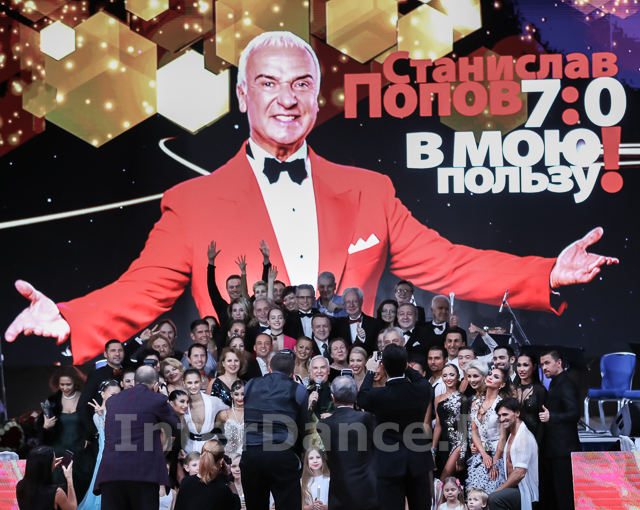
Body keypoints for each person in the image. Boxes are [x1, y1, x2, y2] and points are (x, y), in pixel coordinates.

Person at [6, 31, 618, 365]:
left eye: (301, 84)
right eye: (268, 83)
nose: (286, 99)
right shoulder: (192, 202)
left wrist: (546, 274)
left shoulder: (370, 190)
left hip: (354, 400)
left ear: (317, 96)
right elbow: (142, 291)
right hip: (254, 403)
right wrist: (69, 318)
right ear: (243, 96)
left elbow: (449, 264)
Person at [357, 344, 433, 510]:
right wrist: (405, 366)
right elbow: (421, 380)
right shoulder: (422, 390)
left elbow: (362, 397)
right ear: (406, 365)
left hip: (388, 462)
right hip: (418, 460)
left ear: (383, 366)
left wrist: (370, 371)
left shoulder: (378, 395)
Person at [95, 366, 180, 510]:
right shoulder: (157, 399)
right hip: (143, 473)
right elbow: (176, 428)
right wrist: (165, 398)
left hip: (112, 471)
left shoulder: (112, 401)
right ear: (155, 385)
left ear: (134, 382)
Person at [241, 352, 311, 510]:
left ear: (269, 368)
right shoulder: (298, 390)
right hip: (282, 453)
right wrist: (299, 454)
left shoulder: (250, 384)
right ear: (292, 372)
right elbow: (302, 428)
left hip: (251, 453)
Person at [318, 376, 378, 510]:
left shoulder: (323, 424)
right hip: (367, 490)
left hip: (339, 493)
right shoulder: (366, 418)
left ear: (332, 397)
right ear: (356, 395)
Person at [36, 366, 91, 502]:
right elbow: (41, 432)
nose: (65, 388)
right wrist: (46, 426)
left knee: (83, 485)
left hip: (81, 450)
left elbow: (93, 423)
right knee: (60, 485)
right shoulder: (53, 401)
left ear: (76, 382)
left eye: (68, 384)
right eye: (62, 384)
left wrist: (89, 437)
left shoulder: (85, 399)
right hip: (59, 449)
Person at [538, 349, 581, 510]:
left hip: (564, 450)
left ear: (559, 362)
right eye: (542, 364)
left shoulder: (566, 384)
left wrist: (552, 417)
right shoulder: (556, 382)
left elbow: (574, 414)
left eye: (547, 363)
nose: (544, 367)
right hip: (556, 449)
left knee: (564, 495)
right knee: (557, 495)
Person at [466, 368, 512, 496]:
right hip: (480, 453)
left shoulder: (502, 405)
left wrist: (494, 463)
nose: (490, 377)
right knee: (475, 493)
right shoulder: (475, 403)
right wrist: (483, 454)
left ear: (502, 384)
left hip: (498, 453)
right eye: (490, 374)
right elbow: (474, 431)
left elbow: (503, 437)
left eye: (496, 377)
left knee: (492, 491)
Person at [488, 398, 539, 510]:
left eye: (505, 414)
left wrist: (498, 491)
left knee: (494, 498)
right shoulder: (512, 434)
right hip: (514, 488)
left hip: (525, 491)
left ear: (517, 413)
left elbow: (519, 473)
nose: (502, 419)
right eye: (499, 415)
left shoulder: (523, 437)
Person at [78, 380, 121, 510]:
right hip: (106, 457)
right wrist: (102, 415)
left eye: (119, 395)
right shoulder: (98, 415)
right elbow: (107, 433)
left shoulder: (118, 411)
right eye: (113, 394)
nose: (116, 398)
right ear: (102, 394)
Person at [77, 340, 124, 451]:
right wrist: (95, 431)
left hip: (125, 433)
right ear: (105, 354)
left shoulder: (128, 374)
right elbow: (82, 406)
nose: (117, 353)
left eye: (120, 350)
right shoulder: (96, 374)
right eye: (113, 350)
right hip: (102, 433)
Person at [174, 439, 240, 510]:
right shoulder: (223, 489)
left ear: (201, 458)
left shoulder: (186, 482)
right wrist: (228, 477)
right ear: (221, 461)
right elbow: (236, 506)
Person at [432, 364, 469, 480]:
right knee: (440, 479)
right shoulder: (438, 399)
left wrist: (462, 455)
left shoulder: (463, 399)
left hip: (457, 445)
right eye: (445, 375)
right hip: (443, 444)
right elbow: (438, 426)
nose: (448, 378)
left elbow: (463, 428)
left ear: (457, 376)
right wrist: (433, 451)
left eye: (451, 375)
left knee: (446, 480)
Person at [183, 369, 229, 454]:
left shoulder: (214, 401)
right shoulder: (182, 404)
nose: (193, 386)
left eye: (196, 382)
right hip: (189, 448)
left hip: (211, 447)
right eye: (189, 383)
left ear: (201, 381)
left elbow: (231, 412)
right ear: (184, 383)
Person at [16, 445, 76, 510]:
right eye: (54, 459)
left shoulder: (20, 487)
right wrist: (69, 479)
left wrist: (50, 467)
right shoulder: (57, 493)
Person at [333, 288, 377, 355]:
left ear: (361, 302)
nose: (351, 305)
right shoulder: (337, 325)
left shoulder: (375, 324)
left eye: (355, 301)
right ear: (344, 304)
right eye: (348, 302)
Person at [515, 352, 546, 445]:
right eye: (519, 365)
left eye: (526, 365)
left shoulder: (540, 390)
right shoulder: (513, 389)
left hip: (533, 439)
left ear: (534, 367)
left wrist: (538, 444)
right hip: (515, 439)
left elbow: (542, 422)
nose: (521, 369)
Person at [215, 380, 246, 456]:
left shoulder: (252, 414)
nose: (240, 398)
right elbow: (214, 434)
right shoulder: (223, 414)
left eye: (243, 394)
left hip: (247, 454)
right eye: (236, 394)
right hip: (229, 455)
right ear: (231, 394)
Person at [308, 355, 334, 419]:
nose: (319, 371)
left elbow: (345, 413)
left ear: (328, 371)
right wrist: (308, 405)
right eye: (315, 368)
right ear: (311, 372)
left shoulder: (336, 391)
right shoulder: (304, 392)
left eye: (323, 367)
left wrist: (333, 416)